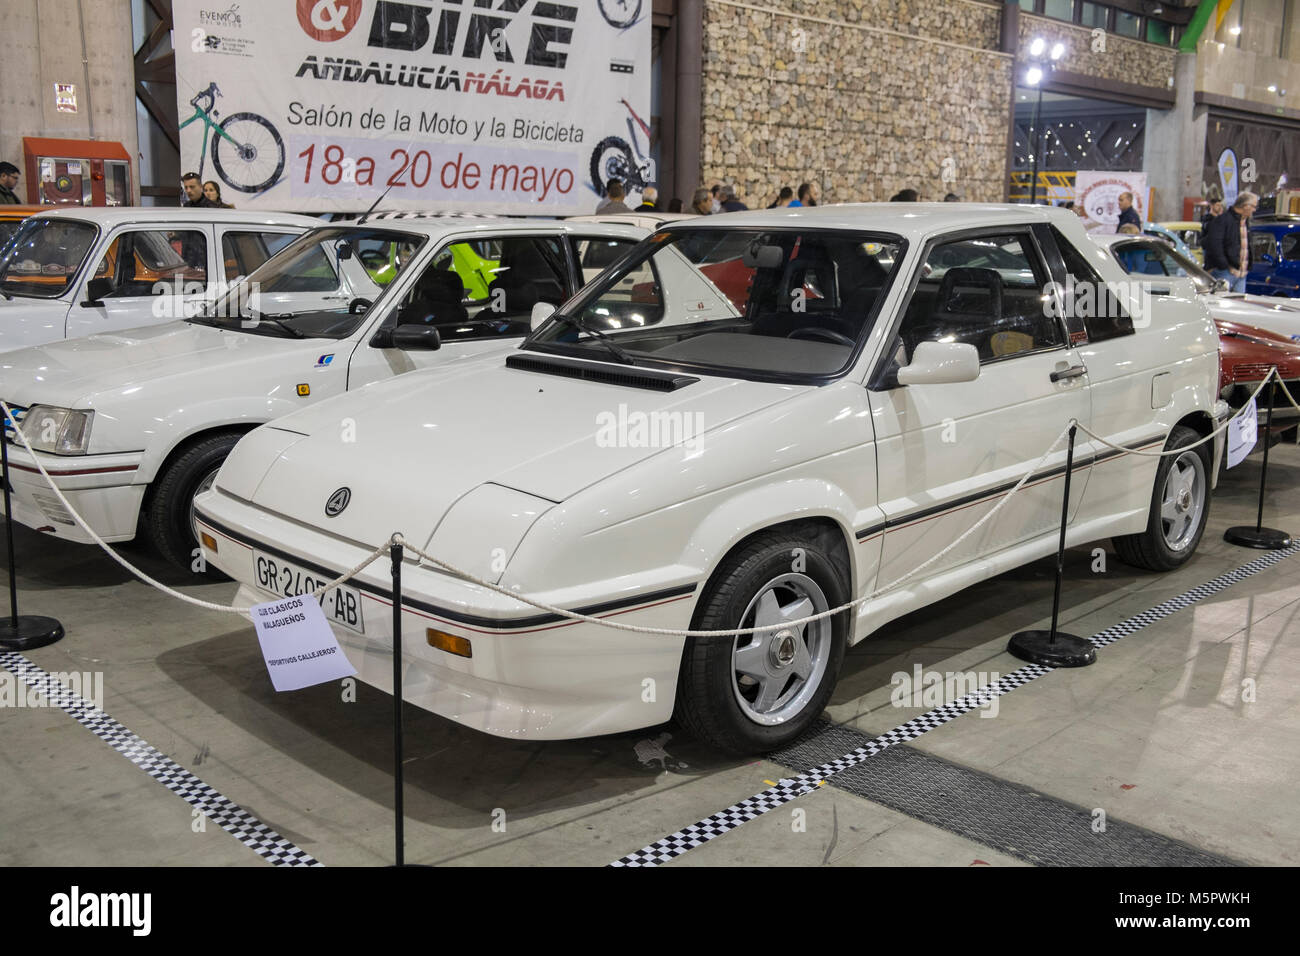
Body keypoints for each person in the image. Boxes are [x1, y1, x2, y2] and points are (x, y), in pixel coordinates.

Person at [1203, 190, 1259, 293]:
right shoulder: (1222, 221)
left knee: (1238, 307)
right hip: (1225, 272)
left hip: (1241, 274)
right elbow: (1214, 245)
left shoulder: (1245, 222)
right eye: (1253, 206)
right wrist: (1224, 266)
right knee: (1221, 304)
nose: (1254, 210)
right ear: (1245, 206)